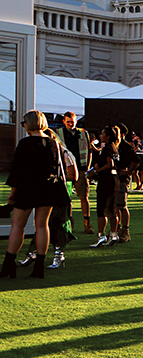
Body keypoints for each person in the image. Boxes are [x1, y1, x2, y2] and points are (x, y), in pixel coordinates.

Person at [1, 110, 69, 279]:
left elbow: (18, 170)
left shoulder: (25, 144)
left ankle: (9, 264)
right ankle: (39, 266)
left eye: (24, 122)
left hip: (27, 188)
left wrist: (12, 192)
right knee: (42, 225)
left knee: (17, 225)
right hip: (47, 189)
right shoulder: (53, 143)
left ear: (29, 124)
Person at [55, 110, 94, 233]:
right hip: (65, 171)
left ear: (76, 121)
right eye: (68, 122)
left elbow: (89, 150)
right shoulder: (58, 133)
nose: (70, 124)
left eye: (72, 122)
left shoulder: (83, 133)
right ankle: (69, 224)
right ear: (64, 122)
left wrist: (87, 167)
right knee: (67, 199)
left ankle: (87, 223)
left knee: (84, 197)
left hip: (81, 169)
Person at [87, 125, 121, 247]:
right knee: (112, 209)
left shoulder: (107, 148)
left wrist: (96, 172)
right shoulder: (114, 148)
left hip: (106, 181)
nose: (100, 136)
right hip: (114, 180)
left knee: (102, 210)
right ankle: (114, 234)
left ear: (107, 136)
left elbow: (109, 164)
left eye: (102, 134)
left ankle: (101, 235)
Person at [115, 122, 139, 242]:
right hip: (112, 179)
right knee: (114, 206)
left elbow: (136, 160)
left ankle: (125, 230)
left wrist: (128, 172)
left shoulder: (125, 146)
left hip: (122, 179)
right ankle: (116, 229)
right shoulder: (111, 145)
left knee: (122, 205)